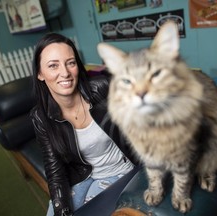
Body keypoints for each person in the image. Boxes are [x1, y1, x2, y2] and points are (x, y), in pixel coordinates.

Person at [30, 33, 138, 216]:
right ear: (40, 73)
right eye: (53, 65)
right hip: (83, 176)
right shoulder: (40, 117)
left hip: (121, 171)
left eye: (70, 63)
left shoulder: (102, 88)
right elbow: (54, 169)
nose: (64, 73)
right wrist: (61, 209)